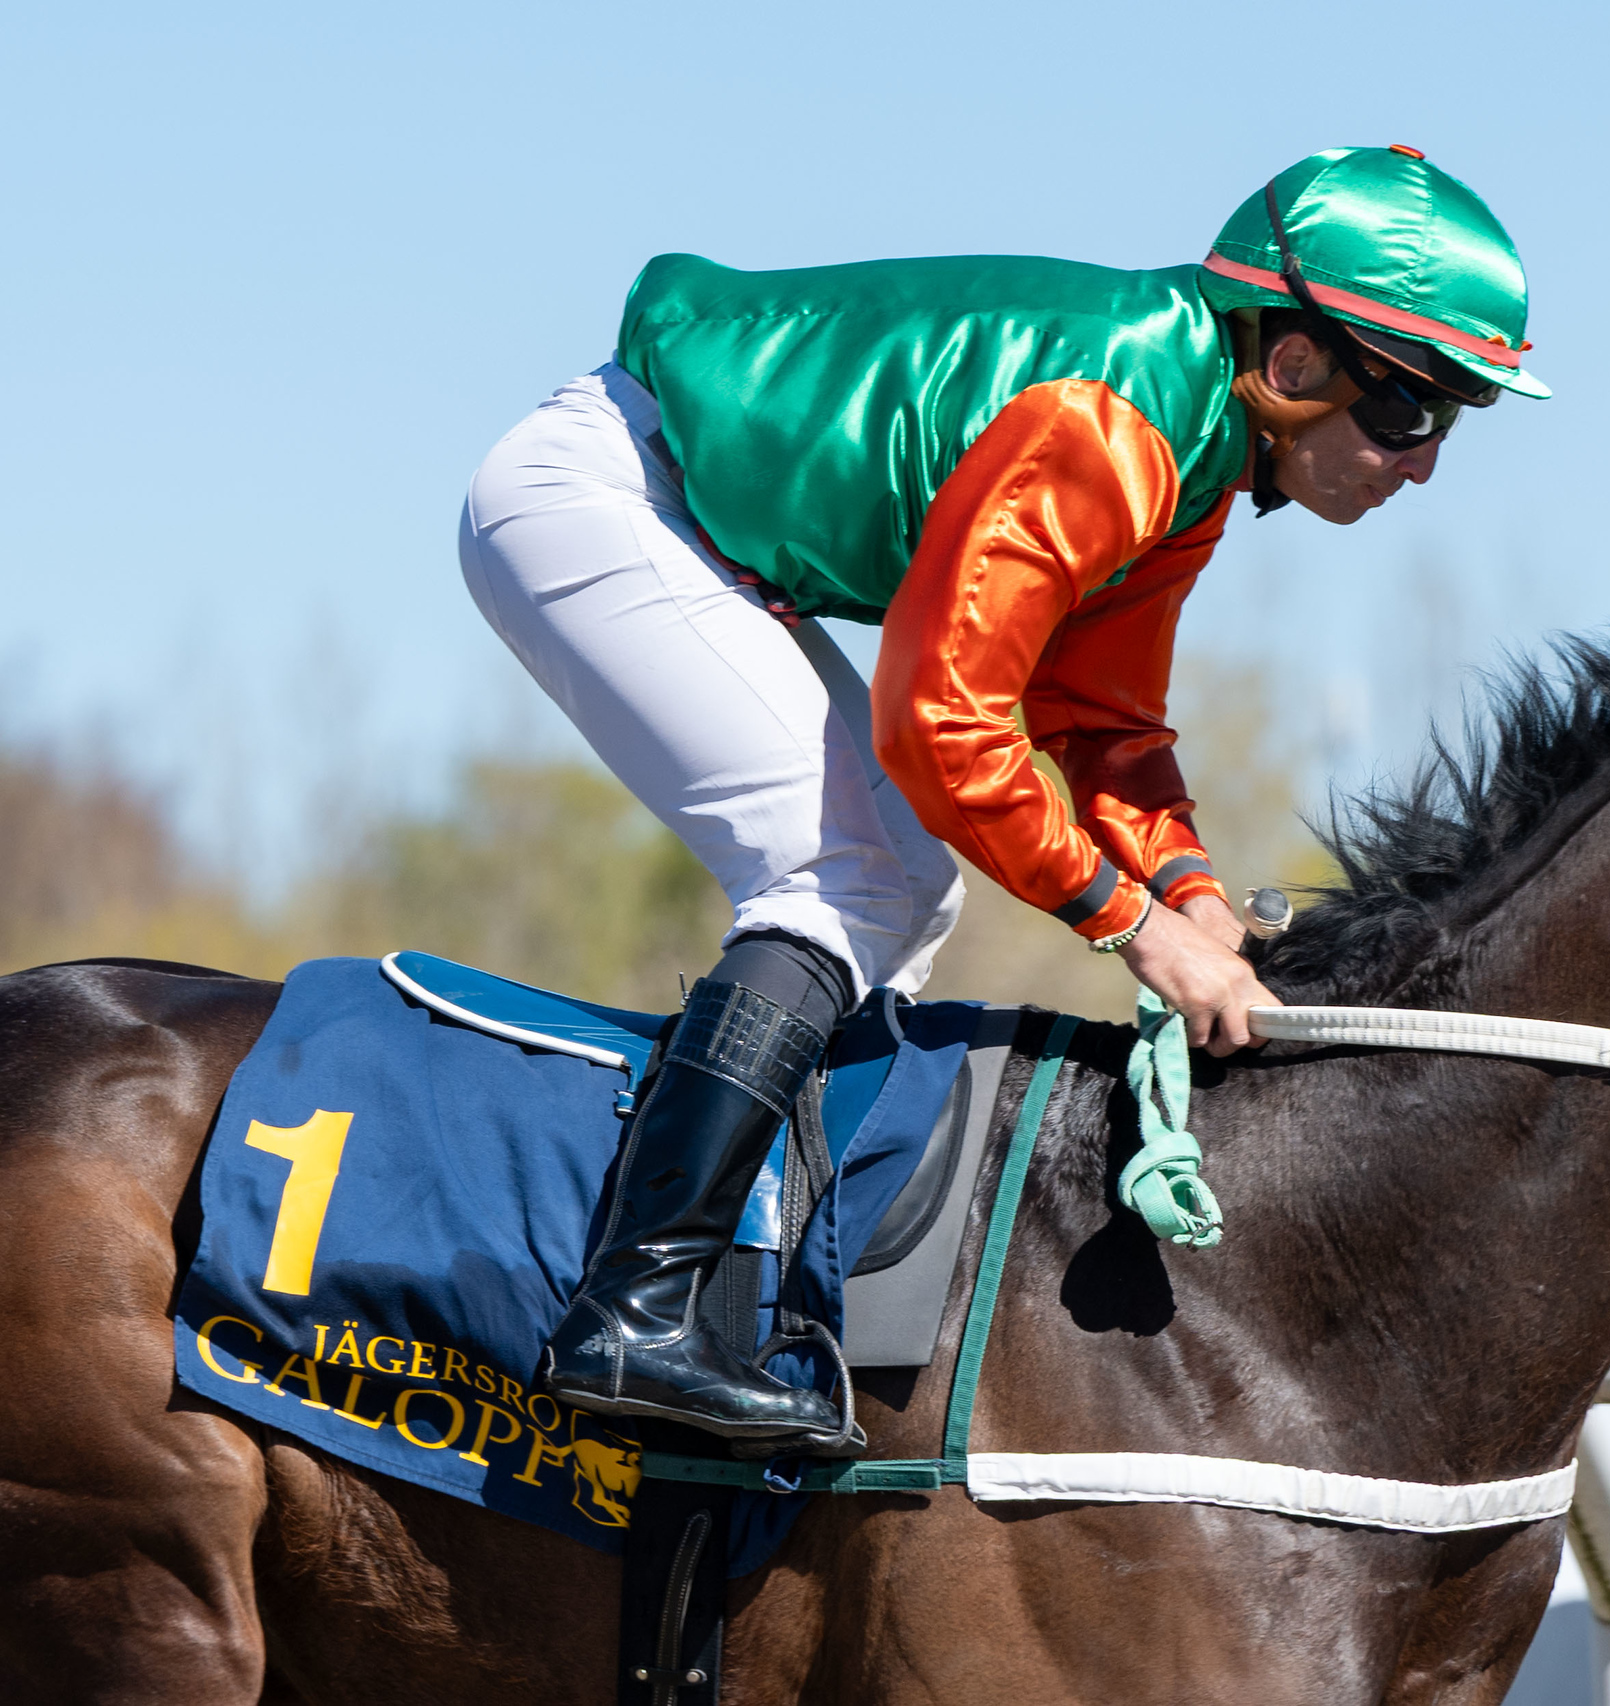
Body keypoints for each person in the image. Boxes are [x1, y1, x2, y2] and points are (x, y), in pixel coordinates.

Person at [458, 145, 1546, 1440]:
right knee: (864, 872)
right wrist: (1135, 932)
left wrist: (1193, 894)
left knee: (896, 887)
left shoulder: (1193, 449)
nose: (1419, 466)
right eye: (1412, 413)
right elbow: (944, 723)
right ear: (1296, 364)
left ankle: (754, 1284)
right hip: (608, 496)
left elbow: (1099, 722)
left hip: (679, 506)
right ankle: (634, 1308)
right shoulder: (1115, 424)